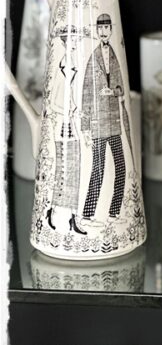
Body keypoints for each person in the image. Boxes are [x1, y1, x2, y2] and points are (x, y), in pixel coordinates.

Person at [81, 13, 126, 222]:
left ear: (111, 29)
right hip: (98, 123)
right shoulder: (93, 57)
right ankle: (88, 214)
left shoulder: (115, 55)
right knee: (98, 170)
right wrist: (85, 127)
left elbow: (121, 87)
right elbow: (86, 93)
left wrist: (113, 91)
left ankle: (114, 212)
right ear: (97, 31)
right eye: (100, 28)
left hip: (114, 122)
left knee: (121, 168)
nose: (104, 31)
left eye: (107, 28)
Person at [45, 25, 86, 235]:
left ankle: (71, 216)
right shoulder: (62, 69)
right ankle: (54, 212)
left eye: (76, 40)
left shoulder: (72, 66)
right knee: (64, 168)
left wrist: (76, 110)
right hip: (63, 126)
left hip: (71, 125)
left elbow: (71, 98)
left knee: (73, 169)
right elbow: (54, 102)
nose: (75, 43)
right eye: (72, 40)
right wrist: (69, 112)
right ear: (65, 42)